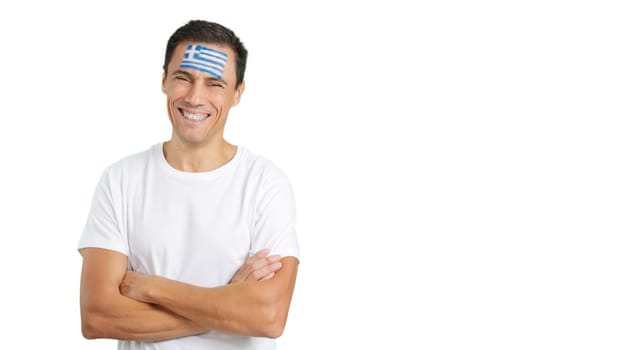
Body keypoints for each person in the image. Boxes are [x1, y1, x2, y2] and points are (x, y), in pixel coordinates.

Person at [78, 19, 300, 350]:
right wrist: (228, 302)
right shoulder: (121, 180)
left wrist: (152, 288)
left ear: (238, 92)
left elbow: (268, 317)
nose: (195, 98)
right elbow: (97, 317)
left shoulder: (266, 184)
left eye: (215, 84)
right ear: (164, 80)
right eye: (184, 78)